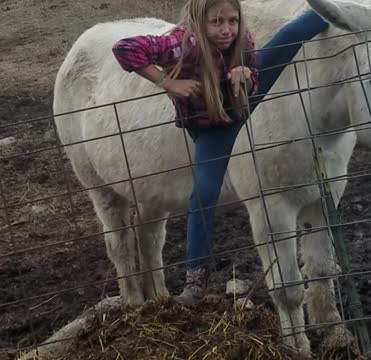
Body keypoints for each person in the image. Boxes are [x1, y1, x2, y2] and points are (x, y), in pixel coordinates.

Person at [112, 0, 328, 305]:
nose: (226, 30)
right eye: (216, 22)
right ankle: (195, 279)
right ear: (199, 21)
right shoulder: (178, 44)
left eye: (232, 20)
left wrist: (247, 73)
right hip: (215, 128)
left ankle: (339, 5)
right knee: (204, 193)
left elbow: (253, 69)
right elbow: (124, 48)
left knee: (293, 34)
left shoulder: (243, 38)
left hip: (243, 102)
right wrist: (167, 81)